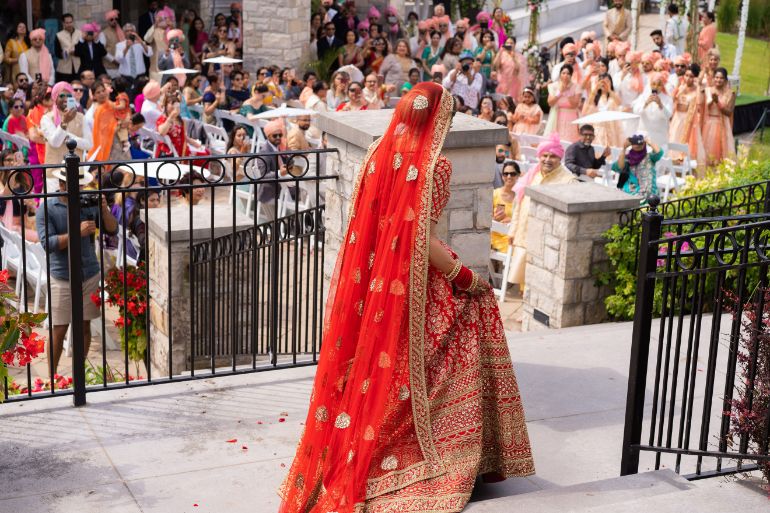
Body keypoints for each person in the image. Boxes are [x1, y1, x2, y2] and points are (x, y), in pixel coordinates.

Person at [279, 82, 534, 513]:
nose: (446, 129)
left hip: (373, 286)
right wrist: (464, 275)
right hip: (414, 282)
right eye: (447, 120)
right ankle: (448, 448)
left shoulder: (377, 153)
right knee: (477, 309)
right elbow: (420, 238)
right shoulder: (435, 165)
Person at [36, 166, 118, 373]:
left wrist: (104, 208)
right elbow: (49, 244)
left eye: (81, 184)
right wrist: (76, 232)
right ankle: (52, 378)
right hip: (61, 275)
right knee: (59, 329)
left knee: (84, 327)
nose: (80, 188)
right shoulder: (47, 207)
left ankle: (78, 376)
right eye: (76, 185)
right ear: (62, 184)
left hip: (89, 272)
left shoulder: (88, 203)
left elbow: (112, 229)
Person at [507, 133, 578, 287]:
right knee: (524, 282)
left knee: (542, 284)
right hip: (525, 234)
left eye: (552, 156)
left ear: (560, 158)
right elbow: (519, 204)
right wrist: (512, 230)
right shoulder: (533, 174)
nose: (547, 159)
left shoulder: (568, 181)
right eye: (544, 155)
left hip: (548, 239)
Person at [40, 82, 92, 177]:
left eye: (68, 95)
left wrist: (69, 138)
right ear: (55, 98)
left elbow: (89, 144)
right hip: (54, 175)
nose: (65, 99)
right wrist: (64, 122)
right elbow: (55, 143)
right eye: (62, 96)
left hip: (75, 173)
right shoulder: (47, 118)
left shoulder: (81, 117)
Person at [669, 63, 706, 169]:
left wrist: (699, 85)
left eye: (691, 76)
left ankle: (684, 169)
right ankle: (672, 168)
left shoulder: (697, 90)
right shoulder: (680, 87)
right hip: (677, 118)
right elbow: (672, 100)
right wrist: (678, 91)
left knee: (685, 143)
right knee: (673, 139)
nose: (688, 78)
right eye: (686, 75)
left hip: (688, 120)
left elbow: (700, 103)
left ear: (694, 78)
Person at [256, 119, 289, 221]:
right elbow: (263, 176)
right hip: (269, 195)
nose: (278, 137)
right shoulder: (264, 151)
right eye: (275, 136)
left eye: (280, 135)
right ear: (268, 136)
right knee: (275, 225)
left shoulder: (279, 148)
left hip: (283, 193)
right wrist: (279, 173)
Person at [613, 134, 662, 201]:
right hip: (631, 190)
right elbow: (619, 167)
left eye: (640, 144)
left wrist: (649, 142)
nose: (637, 145)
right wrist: (624, 148)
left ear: (644, 144)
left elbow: (659, 152)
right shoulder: (628, 158)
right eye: (634, 143)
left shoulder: (650, 157)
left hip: (648, 191)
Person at [702, 67, 735, 166]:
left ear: (725, 80)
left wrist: (718, 102)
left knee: (722, 155)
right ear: (713, 78)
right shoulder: (707, 90)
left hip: (723, 125)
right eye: (716, 77)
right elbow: (704, 108)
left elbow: (729, 112)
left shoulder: (730, 94)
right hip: (709, 124)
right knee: (707, 152)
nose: (718, 80)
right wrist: (712, 101)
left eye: (721, 78)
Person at [582, 73, 624, 147]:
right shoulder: (595, 96)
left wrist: (609, 90)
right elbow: (588, 106)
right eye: (602, 82)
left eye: (607, 81)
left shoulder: (613, 95)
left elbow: (619, 103)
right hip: (598, 127)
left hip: (611, 127)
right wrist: (595, 89)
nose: (604, 84)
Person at [632, 72, 673, 148]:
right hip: (643, 136)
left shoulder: (667, 99)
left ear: (662, 86)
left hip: (659, 138)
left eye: (659, 84)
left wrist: (660, 104)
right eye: (653, 84)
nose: (656, 87)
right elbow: (635, 111)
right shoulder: (643, 96)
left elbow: (668, 116)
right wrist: (646, 103)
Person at [156, 92, 203, 157]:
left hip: (182, 150)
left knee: (206, 152)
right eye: (172, 103)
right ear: (166, 105)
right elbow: (161, 132)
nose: (175, 106)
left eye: (177, 104)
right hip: (171, 154)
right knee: (205, 156)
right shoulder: (163, 119)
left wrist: (195, 143)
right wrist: (171, 117)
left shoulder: (180, 121)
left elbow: (184, 137)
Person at [545, 64, 580, 142]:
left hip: (571, 116)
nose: (565, 75)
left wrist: (568, 93)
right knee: (556, 140)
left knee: (570, 140)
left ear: (571, 75)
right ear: (560, 74)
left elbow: (575, 104)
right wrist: (560, 92)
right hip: (557, 115)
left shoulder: (576, 86)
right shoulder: (553, 86)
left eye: (568, 73)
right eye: (563, 73)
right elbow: (550, 103)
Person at [491, 160, 519, 253]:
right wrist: (494, 218)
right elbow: (486, 219)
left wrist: (512, 221)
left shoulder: (520, 197)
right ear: (502, 176)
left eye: (512, 174)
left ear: (518, 175)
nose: (509, 177)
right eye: (506, 174)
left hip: (514, 236)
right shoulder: (494, 194)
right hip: (496, 237)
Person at [115, 24, 153, 91]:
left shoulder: (140, 43)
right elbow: (119, 59)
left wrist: (141, 41)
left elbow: (149, 53)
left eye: (131, 30)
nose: (129, 32)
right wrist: (126, 48)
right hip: (126, 78)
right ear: (124, 33)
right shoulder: (119, 45)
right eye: (127, 31)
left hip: (140, 77)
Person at [494, 36, 527, 101]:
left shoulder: (519, 56)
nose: (509, 44)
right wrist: (500, 52)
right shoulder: (502, 54)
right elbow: (495, 65)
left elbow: (519, 70)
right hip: (503, 82)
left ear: (515, 44)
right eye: (507, 43)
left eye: (511, 43)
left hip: (514, 83)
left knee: (512, 102)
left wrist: (513, 58)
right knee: (502, 101)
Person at [54, 14, 81, 83]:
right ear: (63, 23)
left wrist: (76, 52)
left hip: (78, 67)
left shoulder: (80, 33)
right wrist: (65, 53)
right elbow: (57, 52)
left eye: (70, 22)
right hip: (64, 68)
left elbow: (84, 49)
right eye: (67, 23)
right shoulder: (59, 35)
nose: (69, 24)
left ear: (73, 22)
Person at [100, 10, 126, 79]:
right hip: (110, 67)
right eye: (111, 19)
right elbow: (102, 50)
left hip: (121, 66)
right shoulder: (104, 33)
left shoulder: (121, 32)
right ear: (108, 21)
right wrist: (113, 60)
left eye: (116, 19)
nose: (114, 21)